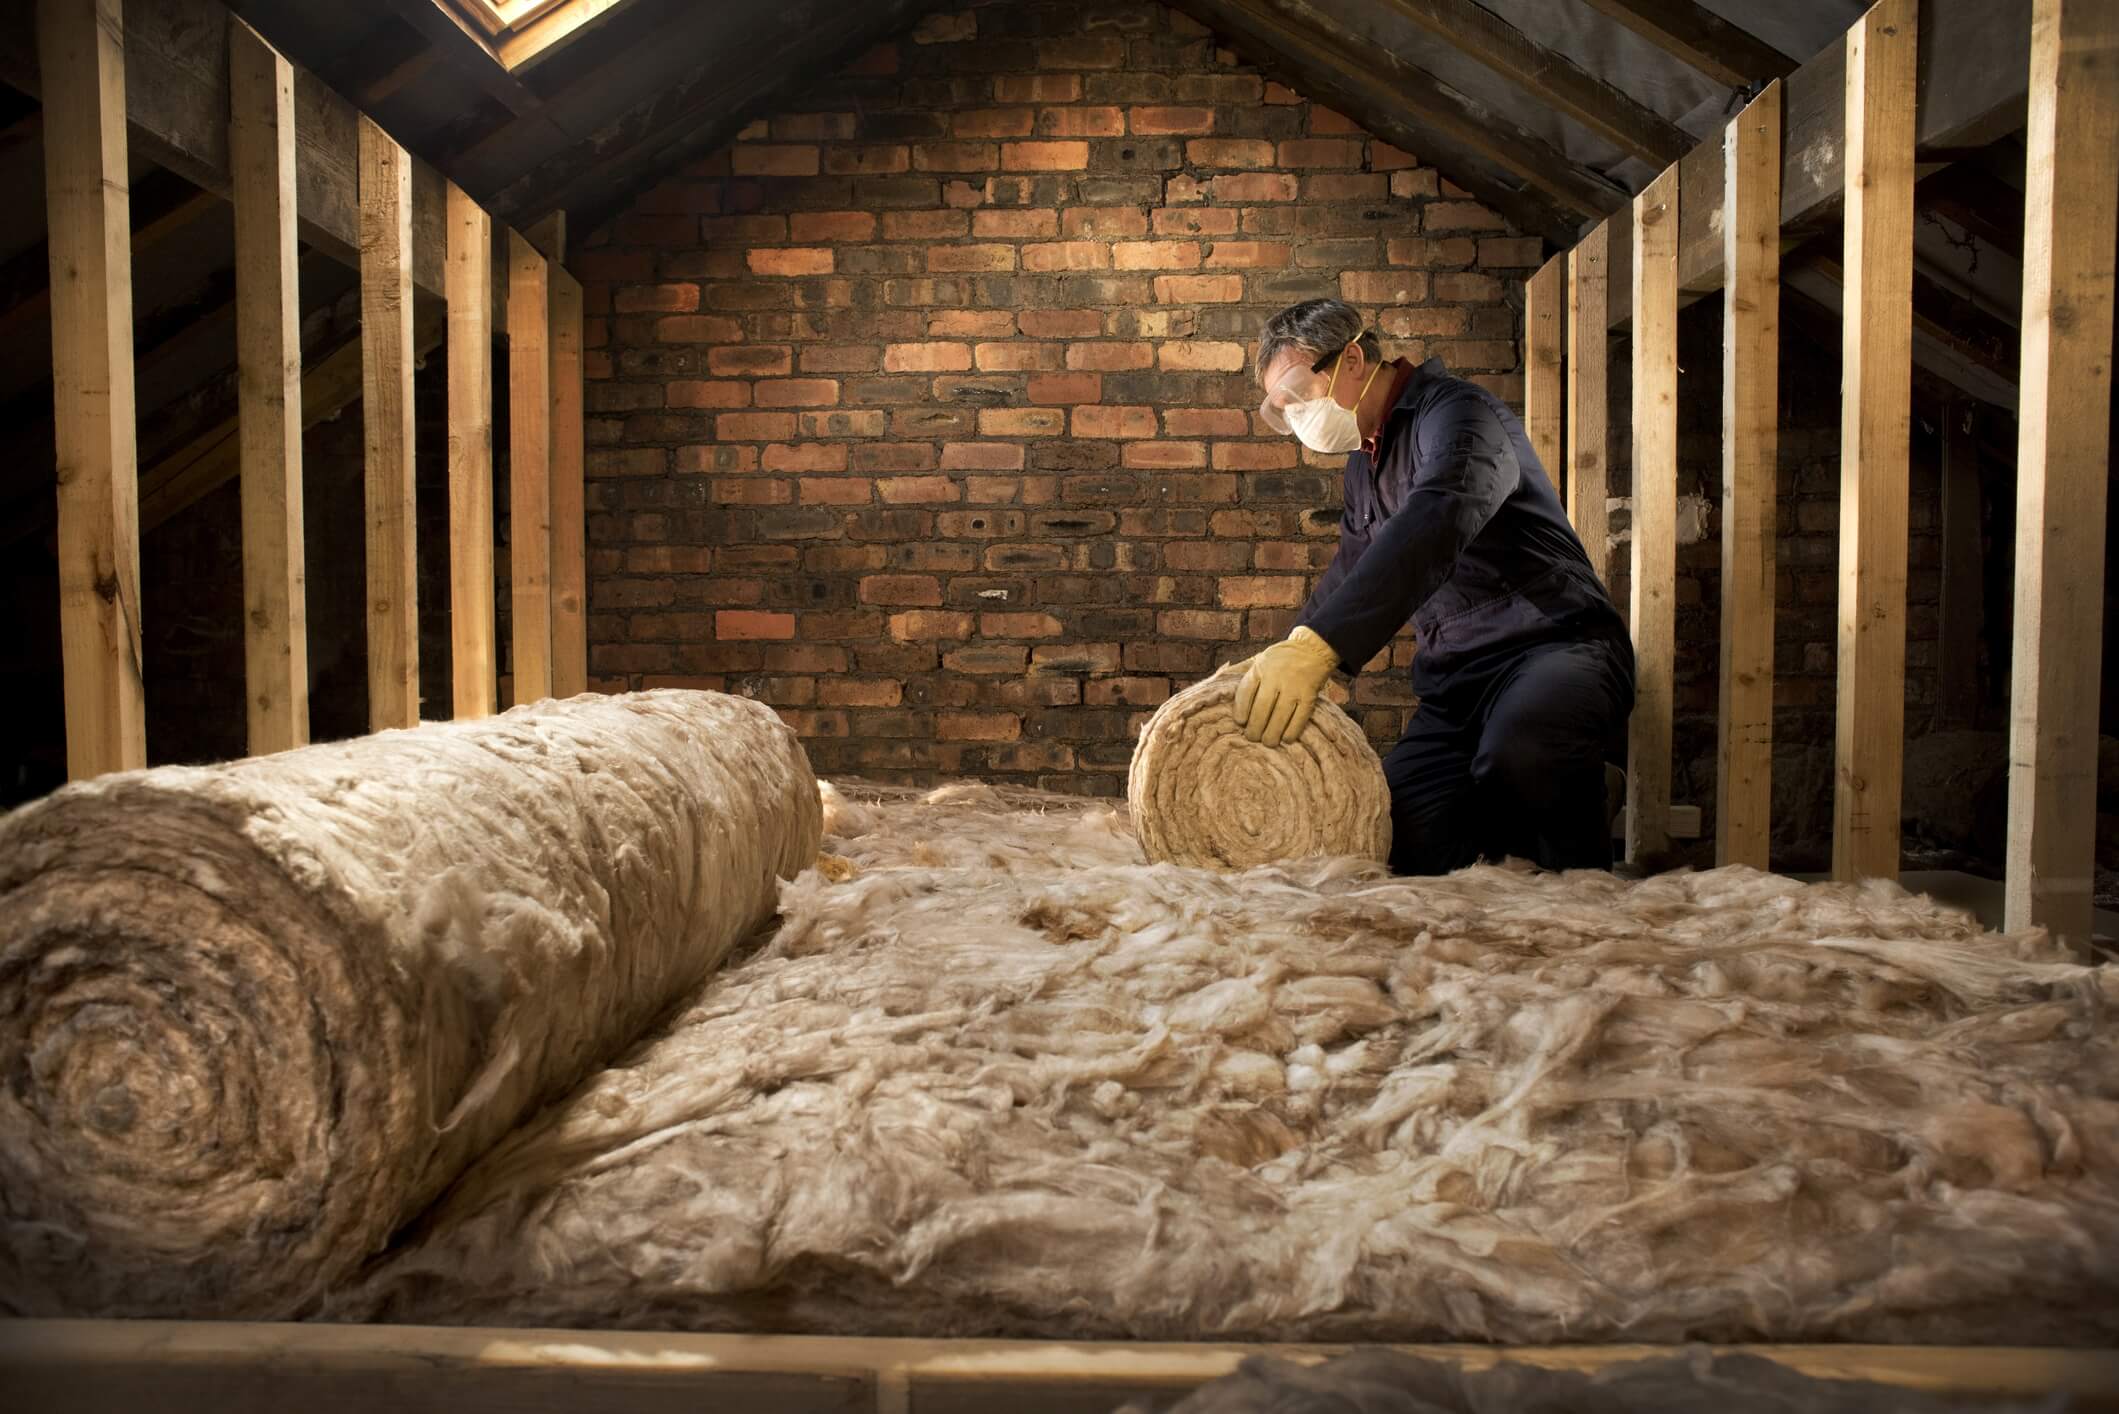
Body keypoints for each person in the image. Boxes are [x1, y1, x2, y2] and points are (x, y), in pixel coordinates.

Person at [1234, 298, 1635, 875]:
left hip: (1556, 646)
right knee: (1397, 833)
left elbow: (1441, 513)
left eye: (1299, 391)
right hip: (1457, 684)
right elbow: (1352, 566)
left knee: (1524, 756)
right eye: (1282, 408)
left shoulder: (1460, 414)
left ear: (1352, 358)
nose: (1297, 415)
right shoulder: (1363, 464)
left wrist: (1321, 647)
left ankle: (1584, 786)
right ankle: (1530, 797)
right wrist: (1289, 648)